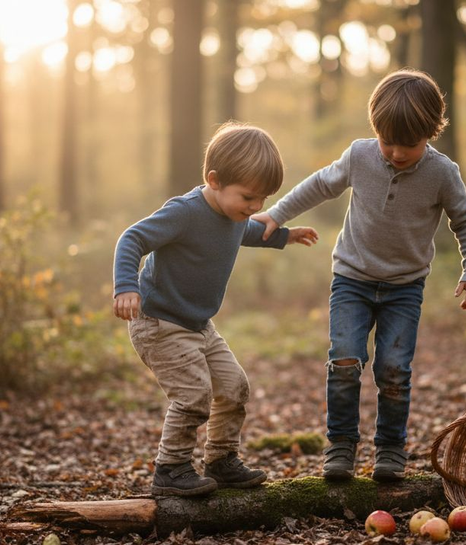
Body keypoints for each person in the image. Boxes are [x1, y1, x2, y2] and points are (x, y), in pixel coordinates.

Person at [252, 69, 466, 483]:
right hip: (352, 279)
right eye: (387, 141)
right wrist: (276, 214)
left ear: (431, 132)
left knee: (394, 369)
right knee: (344, 360)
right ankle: (341, 444)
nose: (395, 152)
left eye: (408, 144)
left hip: (404, 287)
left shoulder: (442, 173)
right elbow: (320, 185)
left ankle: (391, 447)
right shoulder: (360, 156)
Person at [113, 123, 319, 497]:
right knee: (193, 394)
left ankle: (221, 461)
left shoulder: (234, 215)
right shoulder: (185, 212)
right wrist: (126, 286)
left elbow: (249, 231)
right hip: (159, 323)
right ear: (214, 180)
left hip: (199, 325)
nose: (256, 207)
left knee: (234, 387)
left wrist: (285, 236)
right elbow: (133, 238)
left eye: (263, 199)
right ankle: (171, 468)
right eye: (249, 197)